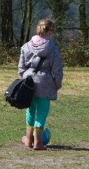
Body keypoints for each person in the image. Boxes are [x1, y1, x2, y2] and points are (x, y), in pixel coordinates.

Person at [17, 19, 64, 150]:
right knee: (42, 112)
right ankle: (38, 142)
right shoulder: (53, 49)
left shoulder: (26, 46)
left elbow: (21, 68)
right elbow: (57, 70)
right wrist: (56, 84)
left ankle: (28, 140)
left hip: (28, 81)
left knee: (30, 110)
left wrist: (25, 79)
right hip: (45, 82)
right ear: (49, 31)